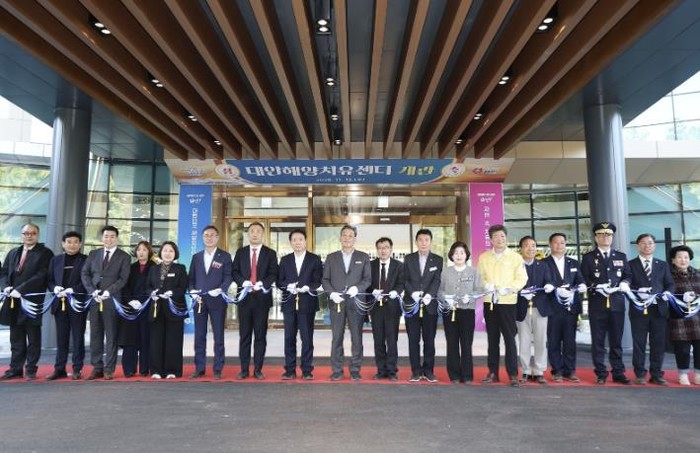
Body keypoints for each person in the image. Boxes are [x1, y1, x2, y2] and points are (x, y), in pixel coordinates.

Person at [0, 223, 54, 380]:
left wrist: (21, 289)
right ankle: (15, 368)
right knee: (16, 337)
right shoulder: (13, 252)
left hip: (31, 301)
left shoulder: (45, 253)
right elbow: (4, 272)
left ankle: (31, 369)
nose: (29, 236)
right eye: (26, 233)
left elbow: (42, 275)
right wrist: (6, 287)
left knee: (33, 337)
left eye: (33, 233)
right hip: (13, 300)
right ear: (21, 235)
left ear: (38, 235)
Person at [581, 221, 632, 385]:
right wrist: (596, 286)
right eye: (601, 235)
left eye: (608, 234)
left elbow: (628, 275)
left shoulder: (621, 256)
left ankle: (618, 372)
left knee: (616, 341)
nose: (605, 237)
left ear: (612, 237)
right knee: (598, 341)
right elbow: (583, 278)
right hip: (597, 304)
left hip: (617, 303)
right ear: (596, 238)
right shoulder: (588, 257)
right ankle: (601, 373)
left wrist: (625, 283)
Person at [477, 224, 527, 387]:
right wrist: (486, 285)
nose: (500, 239)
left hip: (508, 302)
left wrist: (510, 288)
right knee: (492, 339)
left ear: (506, 238)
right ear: (491, 240)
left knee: (510, 339)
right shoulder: (484, 257)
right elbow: (480, 277)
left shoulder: (515, 257)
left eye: (502, 236)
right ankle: (493, 373)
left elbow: (522, 278)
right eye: (496, 236)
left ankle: (513, 374)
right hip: (490, 302)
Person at [81, 225, 131, 380]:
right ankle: (97, 368)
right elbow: (85, 273)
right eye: (106, 236)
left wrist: (109, 291)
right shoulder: (94, 254)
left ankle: (109, 369)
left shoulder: (124, 256)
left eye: (112, 236)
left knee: (111, 336)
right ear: (102, 238)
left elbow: (123, 278)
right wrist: (92, 291)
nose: (109, 239)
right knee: (95, 335)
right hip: (95, 299)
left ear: (117, 238)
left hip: (111, 300)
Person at [322, 224, 371, 381]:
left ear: (355, 239)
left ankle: (355, 369)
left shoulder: (363, 257)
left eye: (350, 236)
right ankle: (337, 369)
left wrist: (357, 288)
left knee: (356, 337)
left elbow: (367, 279)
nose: (347, 238)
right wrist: (331, 293)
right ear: (340, 237)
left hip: (356, 302)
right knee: (337, 337)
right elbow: (325, 279)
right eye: (344, 235)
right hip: (337, 302)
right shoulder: (331, 257)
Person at [232, 222, 279, 380]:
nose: (255, 234)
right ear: (248, 234)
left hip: (261, 301)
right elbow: (234, 271)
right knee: (244, 336)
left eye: (258, 231)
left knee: (260, 336)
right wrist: (243, 282)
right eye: (252, 231)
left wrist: (262, 283)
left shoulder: (270, 253)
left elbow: (274, 273)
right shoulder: (240, 252)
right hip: (244, 299)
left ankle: (258, 369)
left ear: (263, 234)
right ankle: (244, 369)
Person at [628, 234, 674, 385]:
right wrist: (637, 291)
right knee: (639, 343)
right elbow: (626, 285)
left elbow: (670, 284)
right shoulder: (630, 264)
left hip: (659, 309)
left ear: (654, 245)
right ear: (637, 246)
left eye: (650, 243)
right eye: (643, 243)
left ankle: (657, 374)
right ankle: (640, 374)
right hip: (638, 309)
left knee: (658, 343)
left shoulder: (663, 265)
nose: (647, 245)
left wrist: (668, 293)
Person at [188, 225, 233, 380]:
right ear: (202, 238)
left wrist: (221, 289)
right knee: (199, 335)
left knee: (218, 336)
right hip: (199, 301)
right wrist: (192, 291)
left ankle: (218, 368)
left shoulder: (225, 256)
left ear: (217, 237)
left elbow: (228, 277)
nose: (209, 238)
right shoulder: (196, 257)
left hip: (217, 301)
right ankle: (199, 368)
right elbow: (191, 278)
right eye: (206, 235)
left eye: (212, 235)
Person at [277, 229, 322, 380]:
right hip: (289, 303)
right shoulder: (285, 260)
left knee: (307, 338)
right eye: (294, 240)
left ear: (305, 241)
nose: (297, 242)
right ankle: (289, 369)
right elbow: (279, 281)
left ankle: (307, 369)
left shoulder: (314, 259)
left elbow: (318, 280)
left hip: (307, 303)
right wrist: (287, 286)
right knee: (289, 338)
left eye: (300, 239)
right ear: (290, 242)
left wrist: (308, 287)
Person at [542, 233, 586, 383]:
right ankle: (557, 371)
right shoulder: (543, 263)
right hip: (552, 307)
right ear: (550, 244)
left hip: (570, 308)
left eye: (562, 242)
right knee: (553, 340)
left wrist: (581, 285)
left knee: (570, 340)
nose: (559, 245)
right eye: (556, 242)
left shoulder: (574, 263)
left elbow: (580, 280)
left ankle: (570, 370)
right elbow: (542, 282)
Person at [46, 231, 88, 380]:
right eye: (69, 242)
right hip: (60, 304)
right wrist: (54, 288)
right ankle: (59, 369)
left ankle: (77, 368)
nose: (72, 245)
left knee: (78, 337)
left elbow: (87, 281)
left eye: (76, 242)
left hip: (77, 304)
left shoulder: (86, 260)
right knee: (61, 338)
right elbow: (49, 280)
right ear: (63, 244)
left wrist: (73, 290)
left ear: (80, 244)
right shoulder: (55, 260)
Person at [438, 241, 481, 384]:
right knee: (452, 343)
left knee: (466, 344)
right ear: (451, 255)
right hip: (450, 311)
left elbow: (479, 290)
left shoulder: (473, 271)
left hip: (467, 312)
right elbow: (439, 291)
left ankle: (467, 375)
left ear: (466, 255)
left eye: (462, 253)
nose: (459, 255)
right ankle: (454, 375)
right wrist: (446, 298)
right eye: (456, 253)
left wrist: (471, 297)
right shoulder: (445, 272)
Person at [403, 228, 443, 382]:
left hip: (429, 305)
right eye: (420, 240)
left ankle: (428, 370)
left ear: (431, 242)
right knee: (413, 340)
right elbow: (405, 279)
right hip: (412, 305)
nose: (423, 243)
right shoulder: (408, 259)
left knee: (429, 340)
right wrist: (412, 292)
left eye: (426, 240)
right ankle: (415, 371)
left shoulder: (437, 260)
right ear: (416, 242)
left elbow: (437, 279)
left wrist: (429, 295)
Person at [146, 241, 188, 379]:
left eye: (171, 251)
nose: (168, 253)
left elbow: (183, 287)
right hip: (156, 309)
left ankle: (172, 370)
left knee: (173, 341)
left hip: (174, 309)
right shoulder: (153, 269)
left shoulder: (180, 268)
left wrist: (172, 293)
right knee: (155, 341)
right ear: (161, 253)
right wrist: (151, 293)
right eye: (165, 250)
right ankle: (156, 370)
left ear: (175, 253)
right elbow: (148, 286)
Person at [516, 236, 554, 384]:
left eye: (533, 245)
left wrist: (549, 285)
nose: (530, 248)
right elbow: (512, 284)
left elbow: (549, 281)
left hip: (540, 308)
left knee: (541, 340)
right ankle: (525, 370)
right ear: (521, 249)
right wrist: (520, 292)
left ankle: (539, 371)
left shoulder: (543, 265)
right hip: (522, 308)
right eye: (526, 245)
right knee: (524, 341)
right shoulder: (516, 266)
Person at [368, 237, 405, 381]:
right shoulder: (370, 265)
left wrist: (396, 291)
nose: (383, 250)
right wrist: (372, 291)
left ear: (391, 249)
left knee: (392, 340)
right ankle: (381, 370)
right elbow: (366, 282)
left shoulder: (399, 265)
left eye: (386, 247)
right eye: (380, 248)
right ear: (377, 250)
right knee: (378, 340)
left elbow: (402, 283)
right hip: (376, 308)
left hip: (392, 308)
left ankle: (392, 370)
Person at [120, 241, 155, 377]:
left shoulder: (154, 267)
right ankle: (129, 369)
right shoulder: (130, 267)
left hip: (147, 306)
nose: (141, 252)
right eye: (139, 250)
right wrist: (130, 300)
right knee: (130, 339)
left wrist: (145, 301)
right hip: (131, 308)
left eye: (144, 250)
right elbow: (124, 285)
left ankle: (145, 368)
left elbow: (154, 286)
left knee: (146, 338)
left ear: (149, 252)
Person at [668, 245, 700, 386]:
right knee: (682, 349)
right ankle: (683, 374)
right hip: (679, 318)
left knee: (699, 347)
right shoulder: (668, 275)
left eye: (686, 257)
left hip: (698, 317)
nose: (683, 260)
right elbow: (666, 294)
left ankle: (698, 374)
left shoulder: (697, 273)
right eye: (679, 257)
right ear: (673, 259)